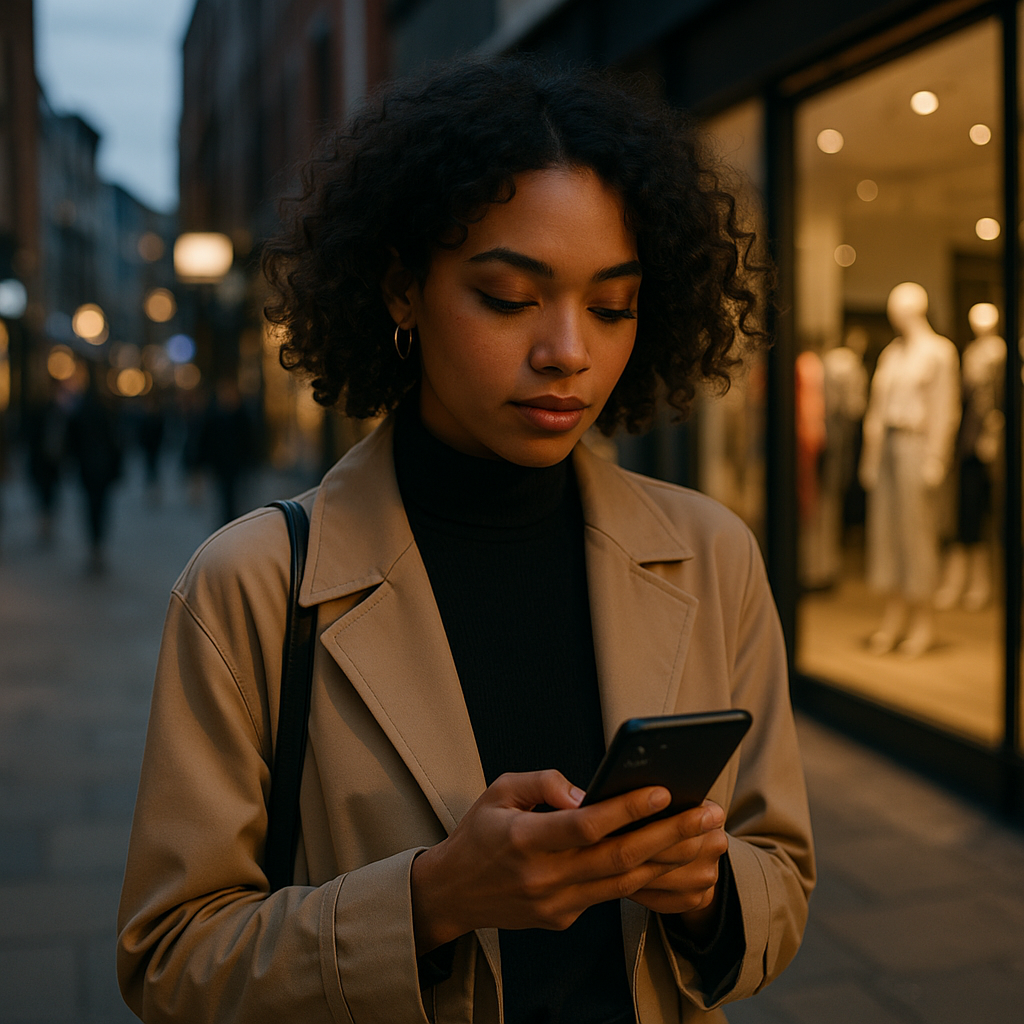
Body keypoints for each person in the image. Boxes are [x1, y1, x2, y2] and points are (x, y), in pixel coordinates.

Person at [117, 57, 814, 1023]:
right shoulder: (254, 583)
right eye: (509, 296)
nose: (568, 349)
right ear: (403, 289)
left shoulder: (712, 551)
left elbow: (779, 877)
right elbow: (169, 961)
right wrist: (431, 900)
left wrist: (705, 888)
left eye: (613, 306)